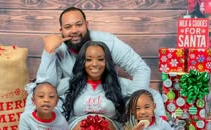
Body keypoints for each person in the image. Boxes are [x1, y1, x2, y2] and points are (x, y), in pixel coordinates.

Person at [37, 41, 157, 130]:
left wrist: (160, 116)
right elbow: (48, 98)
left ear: (107, 62)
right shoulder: (68, 85)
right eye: (89, 60)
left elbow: (151, 95)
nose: (94, 64)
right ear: (82, 62)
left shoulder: (121, 85)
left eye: (100, 59)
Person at [25, 6, 165, 116]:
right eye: (68, 27)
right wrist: (48, 52)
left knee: (151, 95)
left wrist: (135, 102)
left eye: (78, 24)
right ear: (61, 30)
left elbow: (140, 68)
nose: (74, 30)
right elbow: (47, 86)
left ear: (87, 24)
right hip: (75, 96)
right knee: (36, 96)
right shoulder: (57, 48)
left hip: (108, 92)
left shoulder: (108, 42)